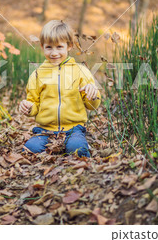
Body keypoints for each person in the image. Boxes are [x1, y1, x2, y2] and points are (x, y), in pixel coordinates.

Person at [19, 20, 101, 157]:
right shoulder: (37, 74)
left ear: (69, 46)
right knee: (29, 150)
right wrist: (28, 107)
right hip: (45, 131)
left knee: (77, 149)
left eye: (59, 47)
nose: (54, 52)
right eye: (49, 47)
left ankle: (74, 145)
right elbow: (34, 105)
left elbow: (92, 106)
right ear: (42, 46)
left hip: (73, 129)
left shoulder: (80, 71)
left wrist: (92, 95)